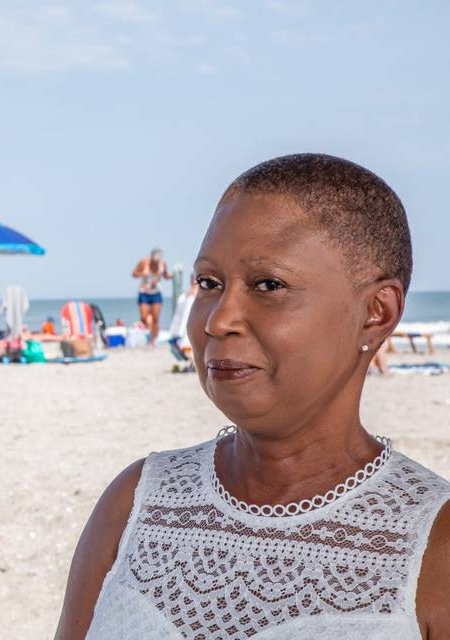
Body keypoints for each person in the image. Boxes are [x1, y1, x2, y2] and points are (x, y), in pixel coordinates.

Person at [56, 154, 450, 639]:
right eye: (209, 283)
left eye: (269, 285)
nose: (218, 320)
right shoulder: (136, 502)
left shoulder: (432, 547)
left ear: (376, 311)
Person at [132, 248, 172, 347]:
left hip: (156, 293)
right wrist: (142, 274)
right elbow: (134, 274)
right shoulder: (144, 262)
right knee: (144, 318)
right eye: (154, 262)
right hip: (144, 293)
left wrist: (173, 276)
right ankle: (150, 333)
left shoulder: (163, 264)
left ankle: (153, 340)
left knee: (155, 318)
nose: (155, 264)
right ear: (151, 259)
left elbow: (165, 275)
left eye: (157, 262)